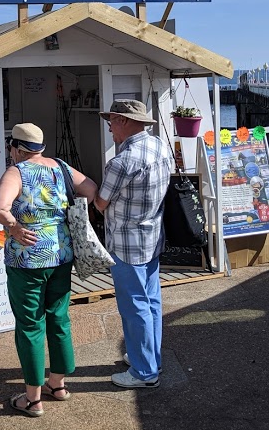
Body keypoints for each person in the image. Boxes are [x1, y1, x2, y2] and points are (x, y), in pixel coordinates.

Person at [0, 123, 97, 417]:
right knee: (59, 317)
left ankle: (33, 399)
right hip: (61, 254)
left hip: (28, 259)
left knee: (30, 324)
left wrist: (14, 226)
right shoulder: (60, 167)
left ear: (16, 149)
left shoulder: (17, 172)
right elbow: (90, 189)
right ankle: (58, 384)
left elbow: (0, 208)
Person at [94, 100, 173, 389]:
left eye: (111, 122)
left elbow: (101, 202)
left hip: (127, 243)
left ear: (124, 121)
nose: (110, 128)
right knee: (151, 301)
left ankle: (143, 372)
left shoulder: (121, 161)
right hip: (152, 236)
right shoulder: (160, 147)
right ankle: (150, 359)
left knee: (134, 306)